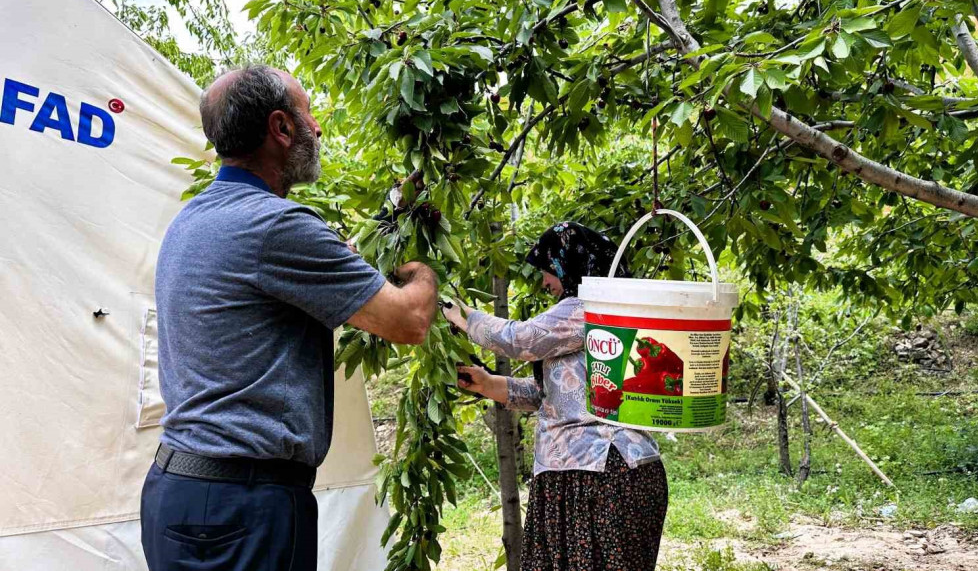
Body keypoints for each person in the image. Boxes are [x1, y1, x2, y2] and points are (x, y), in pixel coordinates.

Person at [141, 65, 439, 571]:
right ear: (281, 128)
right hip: (243, 508)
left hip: (177, 491)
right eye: (308, 113)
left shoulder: (191, 220)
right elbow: (409, 321)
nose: (318, 127)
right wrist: (421, 271)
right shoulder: (275, 226)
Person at [442, 222, 668, 571]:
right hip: (606, 472)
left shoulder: (591, 306)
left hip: (595, 475)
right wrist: (488, 384)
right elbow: (556, 396)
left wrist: (463, 316)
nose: (546, 282)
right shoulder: (609, 313)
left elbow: (521, 339)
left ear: (573, 264)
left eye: (550, 270)